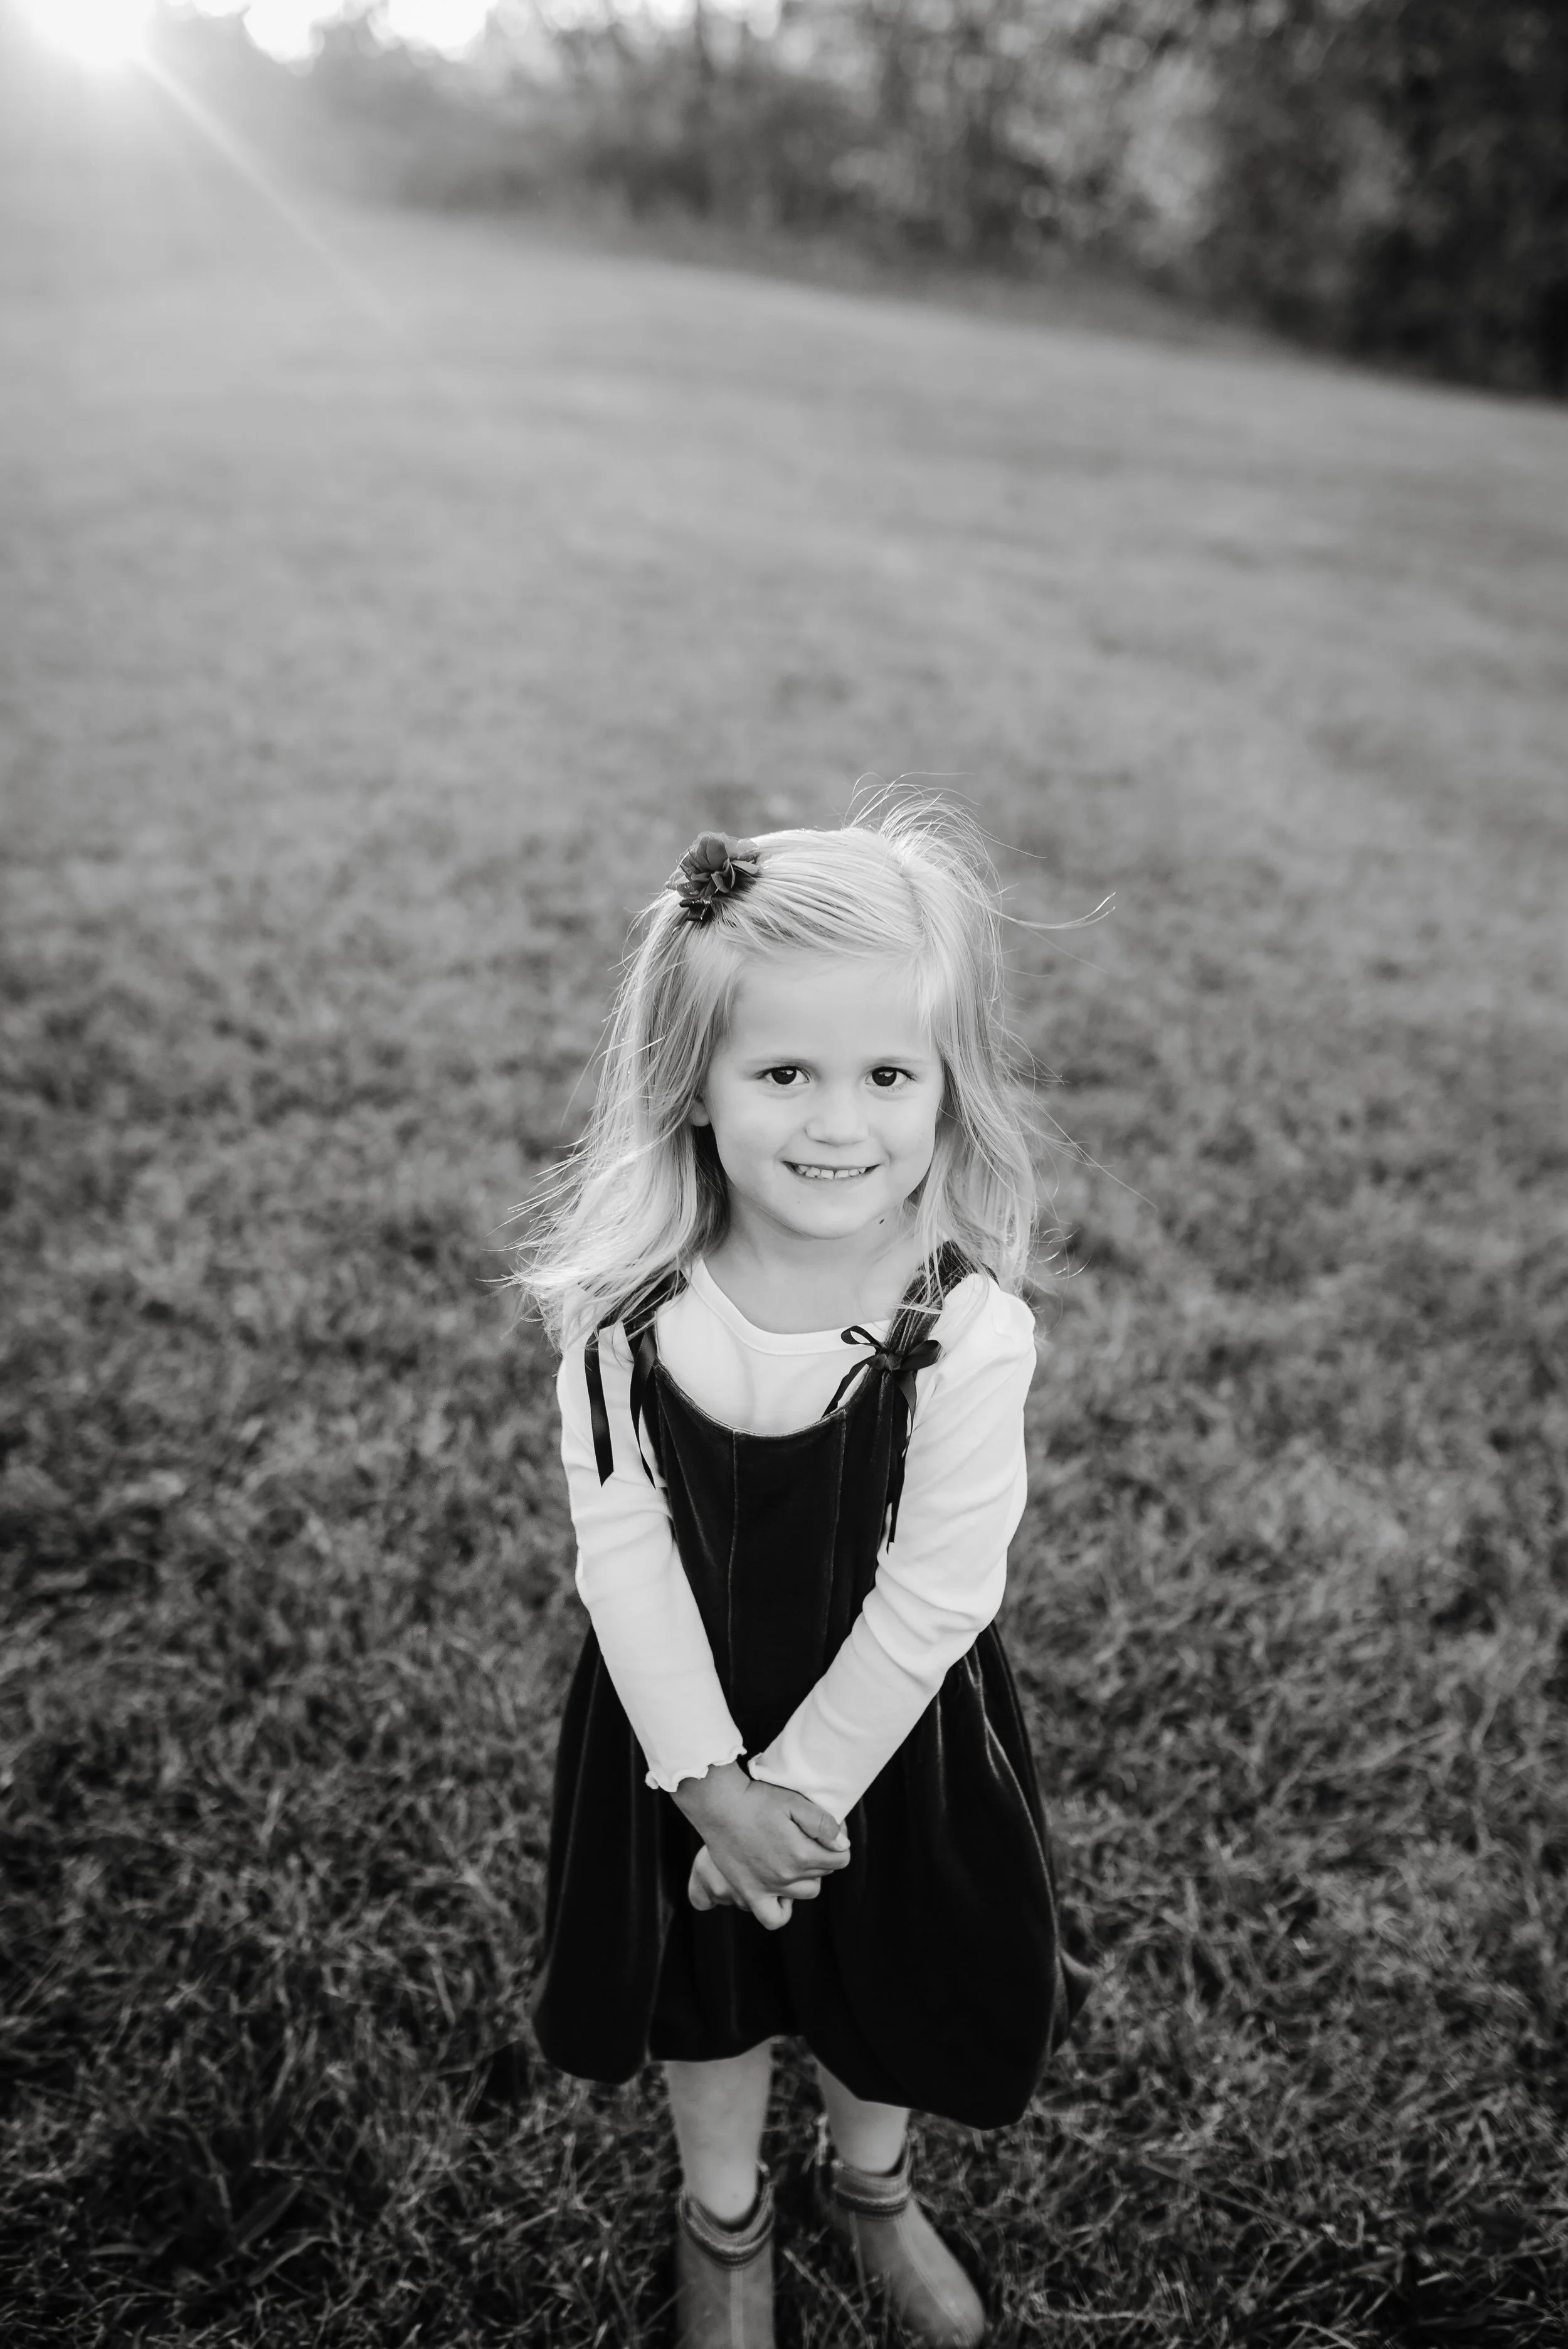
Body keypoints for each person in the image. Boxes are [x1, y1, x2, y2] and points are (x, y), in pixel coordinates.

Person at [517, 805, 1090, 2349]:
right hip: (675, 1736)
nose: (839, 1123)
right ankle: (724, 2217)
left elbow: (933, 1598)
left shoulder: (961, 1331)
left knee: (872, 1981)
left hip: (881, 1748)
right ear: (689, 1090)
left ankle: (873, 2180)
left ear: (944, 1090)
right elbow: (620, 1548)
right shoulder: (622, 1319)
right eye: (783, 1074)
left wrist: (797, 1795)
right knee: (709, 1995)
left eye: (887, 1076)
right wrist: (708, 1783)